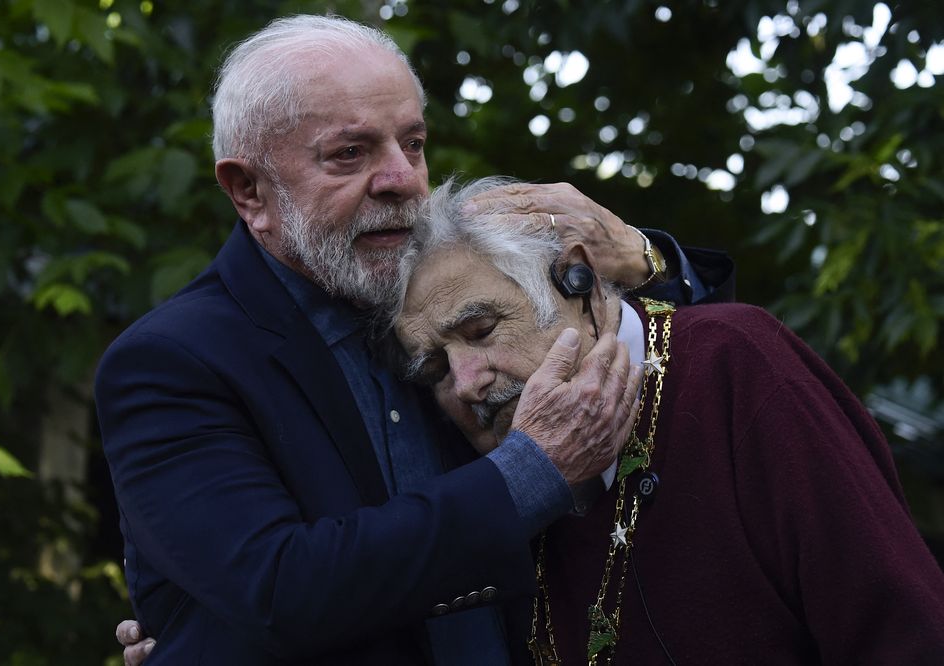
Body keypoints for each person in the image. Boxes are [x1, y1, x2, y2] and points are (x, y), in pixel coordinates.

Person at [98, 15, 733, 666]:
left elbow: (678, 383)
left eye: (414, 144)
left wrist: (647, 259)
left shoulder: (455, 292)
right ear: (249, 190)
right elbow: (281, 590)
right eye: (350, 153)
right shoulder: (169, 362)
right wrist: (530, 471)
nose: (403, 179)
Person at [387, 176, 944, 665]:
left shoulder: (734, 360)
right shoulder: (481, 477)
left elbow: (902, 629)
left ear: (577, 283)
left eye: (482, 331)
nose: (465, 382)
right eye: (435, 368)